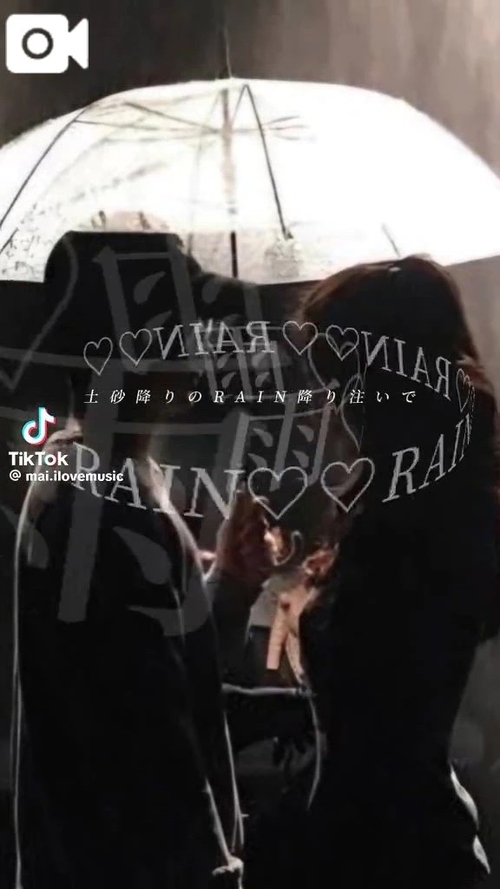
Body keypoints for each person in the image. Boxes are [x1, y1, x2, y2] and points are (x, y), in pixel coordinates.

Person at [12, 230, 275, 889]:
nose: (197, 345)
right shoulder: (105, 505)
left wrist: (227, 585)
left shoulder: (101, 476)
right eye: (180, 325)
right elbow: (157, 744)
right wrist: (217, 873)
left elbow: (157, 659)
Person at [292, 256, 500, 888]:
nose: (333, 408)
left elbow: (384, 718)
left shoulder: (427, 529)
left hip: (404, 860)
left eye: (341, 384)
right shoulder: (400, 512)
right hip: (385, 849)